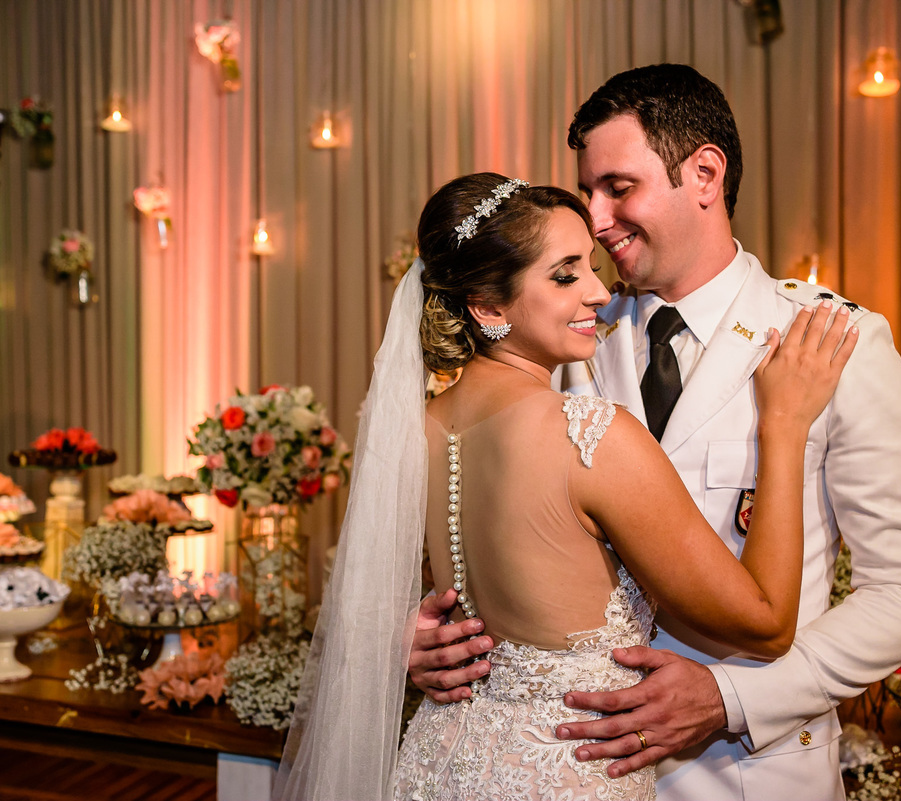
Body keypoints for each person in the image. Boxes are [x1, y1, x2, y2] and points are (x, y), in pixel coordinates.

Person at [408, 65, 901, 800]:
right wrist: (421, 636)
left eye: (617, 187)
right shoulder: (565, 337)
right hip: (572, 764)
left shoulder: (828, 340)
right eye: (589, 190)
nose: (597, 219)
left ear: (704, 172)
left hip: (748, 771)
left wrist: (730, 698)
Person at [277, 171, 856, 800]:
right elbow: (767, 623)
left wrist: (405, 637)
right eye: (565, 275)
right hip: (565, 773)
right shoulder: (592, 436)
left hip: (436, 768)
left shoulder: (416, 428)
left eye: (590, 265)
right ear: (489, 307)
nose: (599, 293)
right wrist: (785, 423)